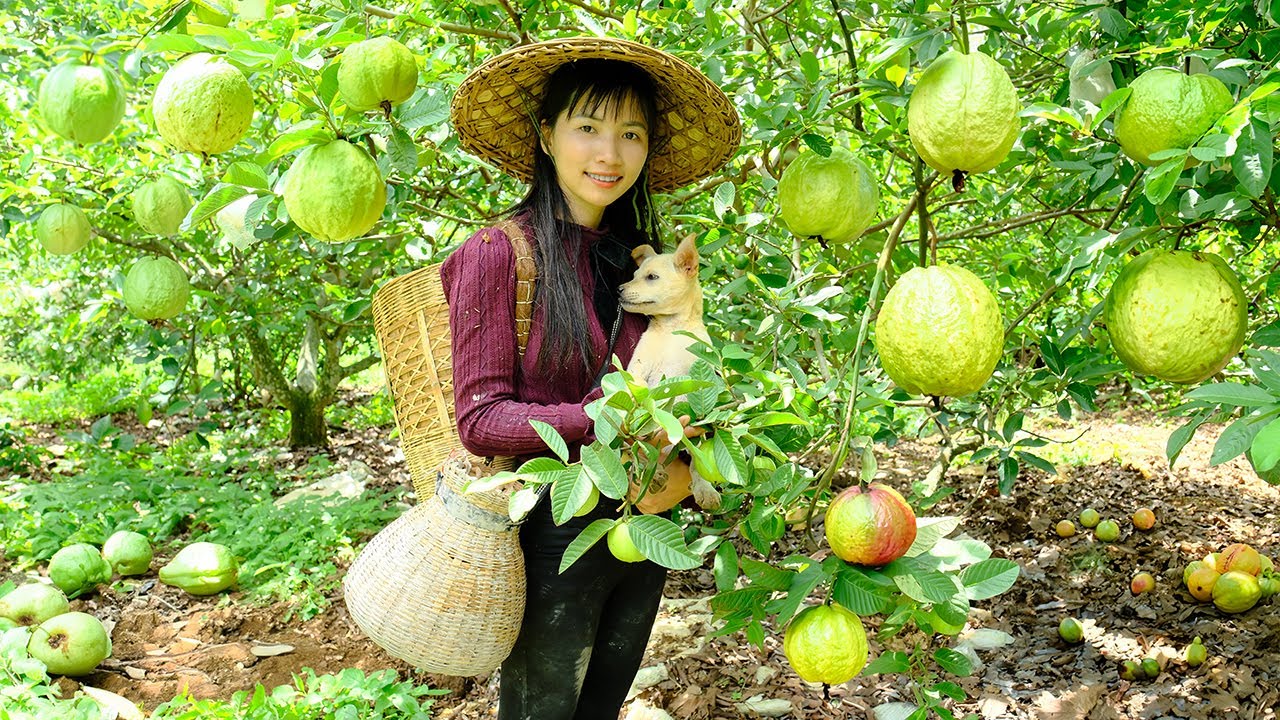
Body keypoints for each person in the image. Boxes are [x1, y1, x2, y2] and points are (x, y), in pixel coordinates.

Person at [442, 37, 740, 720]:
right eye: (587, 128)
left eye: (630, 134)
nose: (609, 154)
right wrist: (607, 416)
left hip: (645, 519)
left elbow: (674, 382)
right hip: (553, 529)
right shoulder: (496, 254)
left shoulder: (632, 266)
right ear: (546, 136)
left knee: (601, 706)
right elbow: (481, 419)